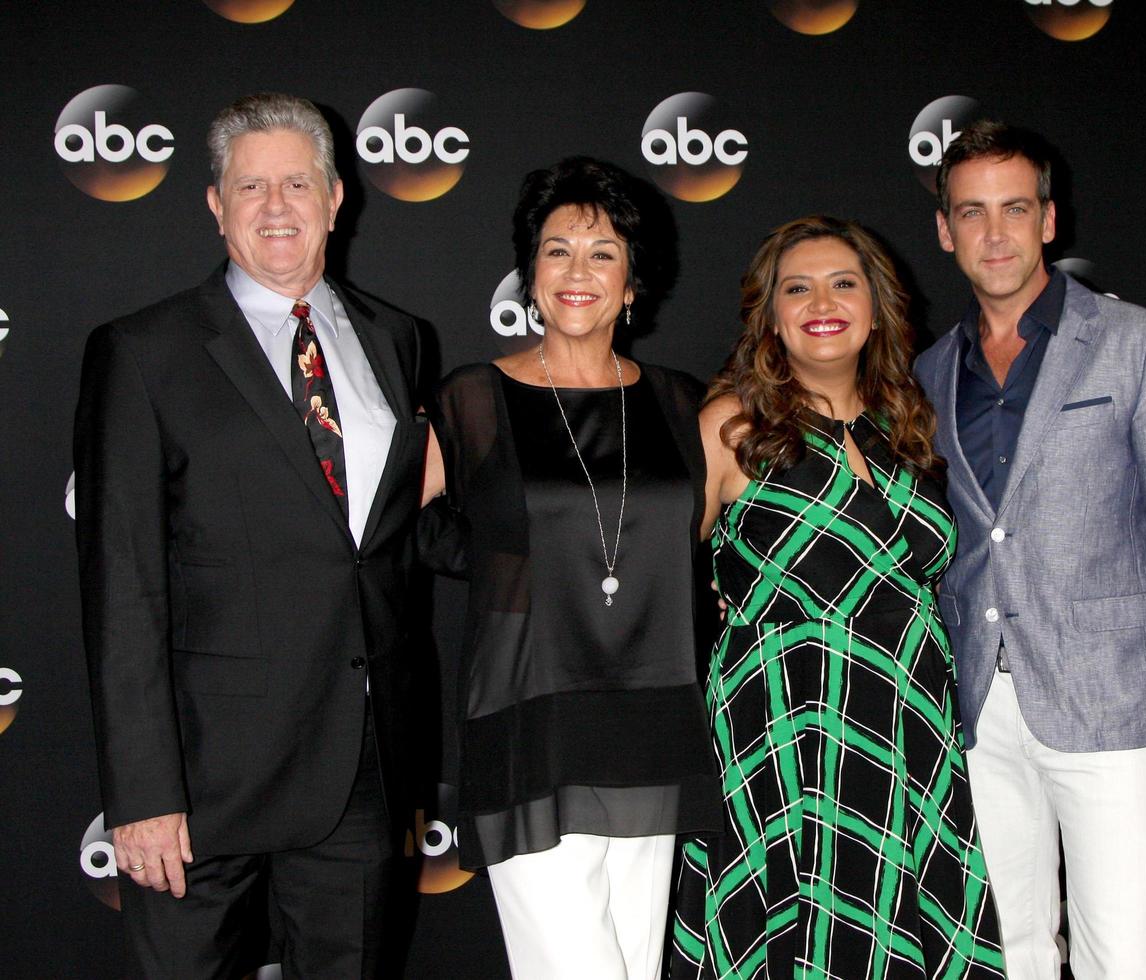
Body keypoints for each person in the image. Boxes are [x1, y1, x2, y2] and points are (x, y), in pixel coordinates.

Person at [73, 93, 426, 977]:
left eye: (297, 183)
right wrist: (145, 792)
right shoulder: (144, 350)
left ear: (336, 198)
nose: (277, 207)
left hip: (360, 766)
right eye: (250, 186)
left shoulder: (397, 339)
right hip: (201, 783)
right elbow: (123, 582)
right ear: (215, 205)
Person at [912, 120, 1146, 980]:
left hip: (1111, 701)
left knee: (1128, 954)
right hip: (975, 705)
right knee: (1007, 947)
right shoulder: (925, 373)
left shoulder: (1138, 343)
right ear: (945, 230)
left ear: (1049, 220)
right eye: (972, 212)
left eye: (1015, 208)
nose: (995, 233)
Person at [672, 215, 1007, 979]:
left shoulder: (911, 419)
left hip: (907, 726)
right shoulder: (732, 424)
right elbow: (654, 577)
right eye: (798, 287)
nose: (822, 301)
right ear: (771, 316)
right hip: (782, 729)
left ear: (876, 303)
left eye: (843, 282)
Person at [419, 156, 721, 980]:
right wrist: (494, 559)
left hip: (653, 726)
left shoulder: (684, 403)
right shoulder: (475, 399)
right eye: (557, 251)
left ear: (634, 284)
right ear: (529, 273)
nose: (577, 273)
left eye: (602, 252)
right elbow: (381, 527)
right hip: (530, 724)